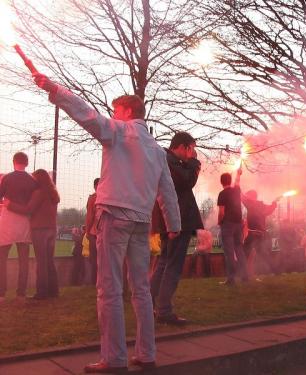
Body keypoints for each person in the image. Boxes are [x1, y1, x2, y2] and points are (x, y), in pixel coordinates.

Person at [33, 73, 181, 373]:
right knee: (140, 288)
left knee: (109, 289)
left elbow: (85, 114)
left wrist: (55, 89)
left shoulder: (117, 130)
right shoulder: (156, 149)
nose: (112, 115)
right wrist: (172, 223)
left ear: (127, 111)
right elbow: (166, 190)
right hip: (140, 220)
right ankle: (146, 353)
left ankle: (113, 358)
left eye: (116, 110)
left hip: (113, 216)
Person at [150, 132, 203, 326]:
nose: (192, 153)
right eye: (191, 148)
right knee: (172, 266)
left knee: (164, 263)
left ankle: (151, 304)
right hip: (176, 222)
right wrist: (195, 164)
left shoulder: (168, 160)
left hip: (171, 221)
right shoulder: (169, 161)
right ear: (182, 146)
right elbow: (187, 182)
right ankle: (163, 310)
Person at [6, 169, 60, 299]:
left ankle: (42, 293)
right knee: (49, 261)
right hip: (52, 229)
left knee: (41, 262)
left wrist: (10, 205)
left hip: (40, 229)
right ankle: (53, 291)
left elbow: (28, 209)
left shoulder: (39, 193)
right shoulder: (53, 193)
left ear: (37, 180)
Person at [0, 152, 38, 303]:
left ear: (13, 161)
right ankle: (20, 294)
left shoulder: (6, 178)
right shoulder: (32, 181)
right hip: (24, 221)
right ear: (27, 163)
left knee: (2, 258)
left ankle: (1, 294)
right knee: (24, 260)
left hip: (7, 220)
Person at [217, 169, 248, 285]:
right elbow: (238, 182)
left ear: (221, 182)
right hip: (238, 224)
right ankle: (245, 276)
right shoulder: (236, 190)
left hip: (228, 225)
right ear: (229, 181)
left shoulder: (222, 194)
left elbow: (221, 212)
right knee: (239, 250)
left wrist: (219, 221)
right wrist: (238, 174)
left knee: (229, 252)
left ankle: (231, 279)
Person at [242, 190, 278, 276]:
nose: (247, 197)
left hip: (253, 234)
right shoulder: (262, 206)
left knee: (244, 253)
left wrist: (237, 184)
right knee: (263, 255)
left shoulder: (251, 204)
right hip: (261, 234)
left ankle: (242, 274)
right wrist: (274, 202)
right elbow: (270, 209)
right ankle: (274, 271)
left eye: (248, 196)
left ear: (251, 196)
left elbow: (242, 197)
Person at [85, 178, 100, 285]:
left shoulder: (93, 198)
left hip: (94, 232)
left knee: (94, 259)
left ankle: (94, 281)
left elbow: (90, 216)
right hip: (106, 233)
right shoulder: (109, 197)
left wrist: (87, 230)